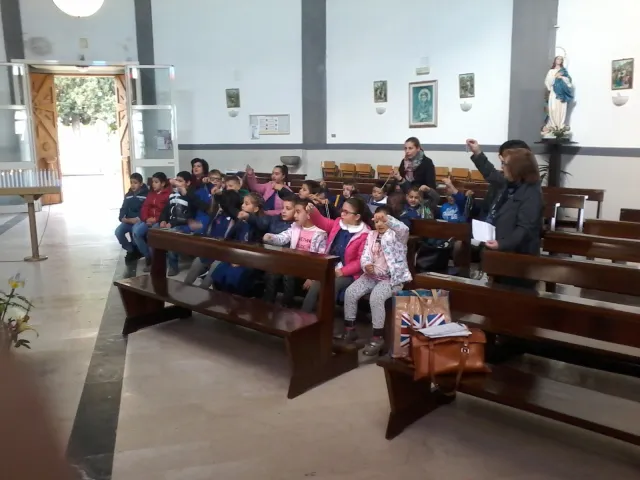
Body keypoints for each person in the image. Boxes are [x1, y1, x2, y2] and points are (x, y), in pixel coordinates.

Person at [467, 139, 543, 287]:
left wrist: (501, 243)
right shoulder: (510, 185)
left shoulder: (531, 193)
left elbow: (525, 228)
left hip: (519, 260)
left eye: (504, 164)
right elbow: (491, 174)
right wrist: (477, 153)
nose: (502, 167)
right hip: (502, 253)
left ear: (517, 168)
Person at [343, 206, 411, 354]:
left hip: (392, 279)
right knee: (350, 292)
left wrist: (389, 220)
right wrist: (366, 265)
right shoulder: (371, 235)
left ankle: (377, 337)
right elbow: (365, 254)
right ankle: (350, 329)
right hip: (371, 276)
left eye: (383, 220)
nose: (379, 224)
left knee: (376, 298)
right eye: (377, 221)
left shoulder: (397, 236)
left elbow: (404, 229)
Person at [302, 197, 370, 317]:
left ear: (357, 216)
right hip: (332, 266)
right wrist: (313, 211)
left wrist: (342, 271)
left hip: (350, 273)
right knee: (316, 284)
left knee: (332, 285)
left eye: (346, 212)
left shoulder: (365, 234)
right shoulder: (339, 223)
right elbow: (323, 222)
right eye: (342, 210)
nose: (342, 214)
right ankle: (303, 316)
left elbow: (360, 261)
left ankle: (325, 319)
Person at [262, 198, 327, 306]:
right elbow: (283, 237)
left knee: (289, 274)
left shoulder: (320, 233)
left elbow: (321, 257)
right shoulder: (295, 227)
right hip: (294, 263)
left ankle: (286, 306)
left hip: (308, 268)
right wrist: (271, 237)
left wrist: (312, 278)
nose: (295, 215)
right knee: (272, 272)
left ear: (309, 214)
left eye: (298, 212)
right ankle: (267, 305)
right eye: (295, 212)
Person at [183, 189, 244, 287]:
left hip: (224, 253)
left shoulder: (237, 219)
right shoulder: (218, 214)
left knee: (215, 266)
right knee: (197, 262)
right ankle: (185, 287)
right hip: (210, 249)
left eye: (223, 202)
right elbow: (209, 229)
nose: (220, 205)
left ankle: (203, 289)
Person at [211, 193, 265, 295]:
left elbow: (256, 247)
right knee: (218, 274)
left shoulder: (260, 224)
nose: (243, 206)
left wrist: (240, 260)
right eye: (243, 203)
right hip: (235, 256)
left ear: (256, 209)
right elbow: (230, 238)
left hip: (249, 260)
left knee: (233, 277)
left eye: (247, 204)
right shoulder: (240, 222)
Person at [159, 171, 196, 276]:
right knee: (153, 231)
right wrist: (163, 220)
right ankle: (155, 261)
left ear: (187, 183)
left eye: (180, 181)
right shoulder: (173, 194)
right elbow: (166, 210)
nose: (177, 183)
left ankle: (173, 266)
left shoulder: (190, 196)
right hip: (171, 223)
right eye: (176, 180)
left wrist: (172, 223)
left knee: (171, 234)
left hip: (183, 224)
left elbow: (186, 216)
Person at [132, 172, 171, 269]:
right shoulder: (151, 194)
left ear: (163, 183)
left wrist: (156, 219)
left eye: (156, 182)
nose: (153, 184)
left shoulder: (168, 195)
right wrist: (146, 218)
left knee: (151, 236)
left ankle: (154, 261)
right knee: (136, 233)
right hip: (148, 219)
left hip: (160, 221)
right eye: (153, 182)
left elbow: (166, 211)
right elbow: (145, 207)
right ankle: (148, 256)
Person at [115, 172, 149, 264]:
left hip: (139, 220)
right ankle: (131, 250)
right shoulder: (128, 195)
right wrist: (122, 217)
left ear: (141, 184)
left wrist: (139, 218)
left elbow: (145, 209)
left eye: (135, 183)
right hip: (128, 220)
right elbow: (123, 208)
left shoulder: (146, 195)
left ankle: (147, 255)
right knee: (118, 232)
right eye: (131, 183)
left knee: (135, 232)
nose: (133, 185)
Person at [542, 55, 573, 135]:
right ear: (555, 60)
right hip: (554, 92)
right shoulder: (551, 71)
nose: (559, 60)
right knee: (553, 108)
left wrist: (561, 77)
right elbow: (547, 81)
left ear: (562, 61)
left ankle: (560, 126)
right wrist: (555, 77)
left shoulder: (563, 71)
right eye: (558, 59)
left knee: (561, 109)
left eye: (561, 59)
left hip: (562, 92)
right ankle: (553, 125)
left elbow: (569, 81)